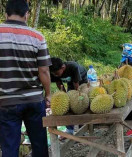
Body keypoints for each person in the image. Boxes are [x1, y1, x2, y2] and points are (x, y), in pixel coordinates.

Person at [0, 0, 51, 157]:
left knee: (9, 148)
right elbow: (43, 71)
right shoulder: (37, 37)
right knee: (39, 144)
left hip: (6, 101)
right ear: (27, 14)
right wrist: (48, 94)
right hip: (34, 100)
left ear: (5, 13)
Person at [49, 57, 88, 136]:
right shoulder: (53, 70)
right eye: (54, 74)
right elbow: (58, 83)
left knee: (80, 103)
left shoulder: (73, 66)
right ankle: (70, 129)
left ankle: (82, 128)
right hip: (71, 82)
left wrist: (77, 95)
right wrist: (63, 95)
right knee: (68, 104)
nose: (55, 75)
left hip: (81, 79)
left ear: (63, 67)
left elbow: (76, 83)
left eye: (56, 73)